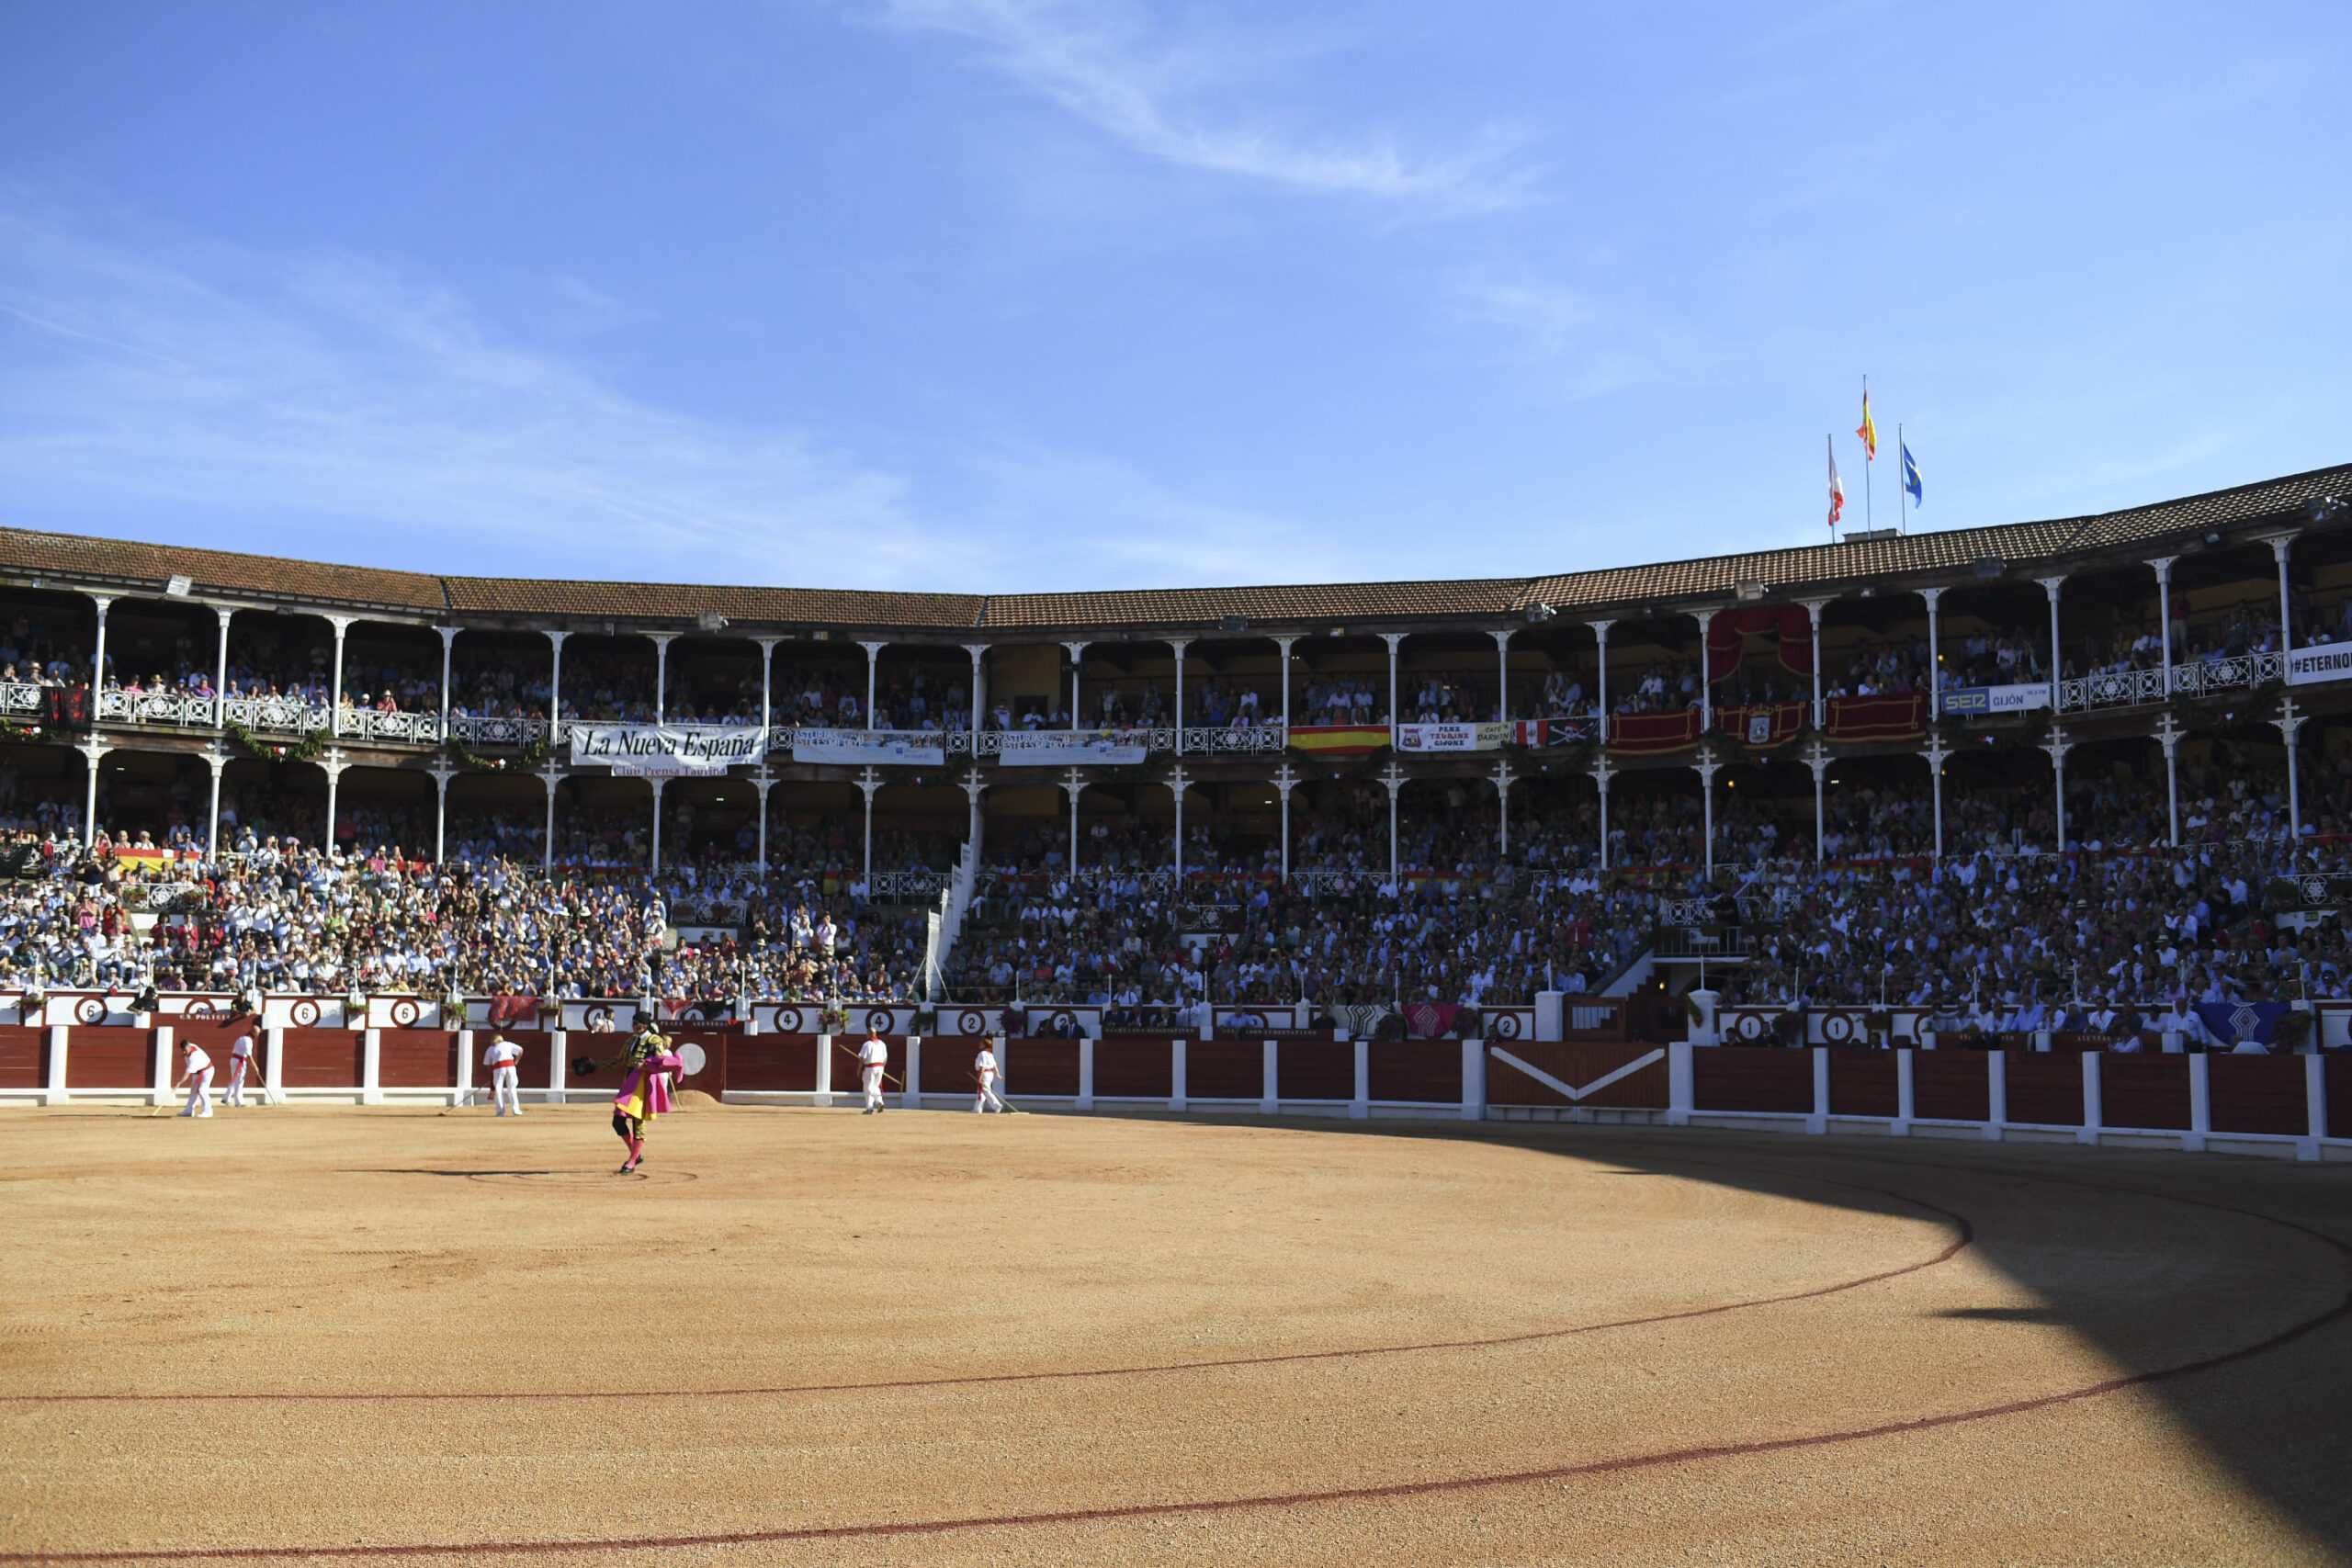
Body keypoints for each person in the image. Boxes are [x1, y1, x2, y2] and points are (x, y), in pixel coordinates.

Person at [606, 1024, 681, 1174]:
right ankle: (636, 1154)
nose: (634, 1026)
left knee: (638, 1123)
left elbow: (661, 1063)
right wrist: (596, 1065)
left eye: (637, 1023)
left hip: (644, 1086)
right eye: (633, 1023)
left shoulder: (655, 1042)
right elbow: (620, 1060)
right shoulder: (632, 1041)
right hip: (628, 1086)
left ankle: (632, 1161)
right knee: (617, 1122)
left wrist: (646, 1066)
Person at [482, 1032, 524, 1116]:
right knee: (512, 1088)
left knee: (498, 1089)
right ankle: (516, 1110)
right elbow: (520, 1050)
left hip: (498, 1068)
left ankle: (500, 1112)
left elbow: (487, 1064)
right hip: (511, 1067)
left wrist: (493, 1072)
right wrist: (516, 1061)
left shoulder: (491, 1048)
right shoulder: (507, 1044)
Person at [175, 1038, 215, 1119]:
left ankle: (208, 1111)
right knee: (193, 1090)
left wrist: (179, 1083)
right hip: (198, 1072)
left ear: (189, 1047)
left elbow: (187, 1074)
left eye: (185, 1050)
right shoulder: (190, 1047)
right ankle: (189, 1111)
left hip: (207, 1071)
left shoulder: (194, 1057)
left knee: (202, 1090)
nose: (184, 1052)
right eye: (182, 1050)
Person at [856, 1029, 889, 1114]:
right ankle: (879, 1102)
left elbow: (862, 1058)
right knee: (875, 1086)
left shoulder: (867, 1044)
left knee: (868, 1088)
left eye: (867, 1033)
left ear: (870, 1034)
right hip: (880, 1067)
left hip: (870, 1068)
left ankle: (870, 1107)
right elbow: (885, 1058)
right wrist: (882, 1068)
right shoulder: (882, 1044)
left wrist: (859, 1069)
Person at [972, 1042, 1009, 1114]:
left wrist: (980, 1077)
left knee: (986, 1091)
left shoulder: (982, 1054)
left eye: (981, 1044)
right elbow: (995, 1066)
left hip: (985, 1074)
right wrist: (998, 1074)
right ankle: (977, 1109)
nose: (979, 1045)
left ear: (984, 1045)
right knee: (982, 1091)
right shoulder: (990, 1054)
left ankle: (997, 1105)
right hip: (990, 1074)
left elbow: (982, 1067)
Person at [223, 1030, 256, 1107]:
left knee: (234, 1079)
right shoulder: (248, 1040)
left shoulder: (241, 1038)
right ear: (253, 1032)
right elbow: (249, 1055)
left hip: (234, 1059)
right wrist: (254, 1066)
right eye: (257, 1033)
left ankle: (226, 1098)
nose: (257, 1035)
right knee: (239, 1081)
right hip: (240, 1061)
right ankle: (239, 1101)